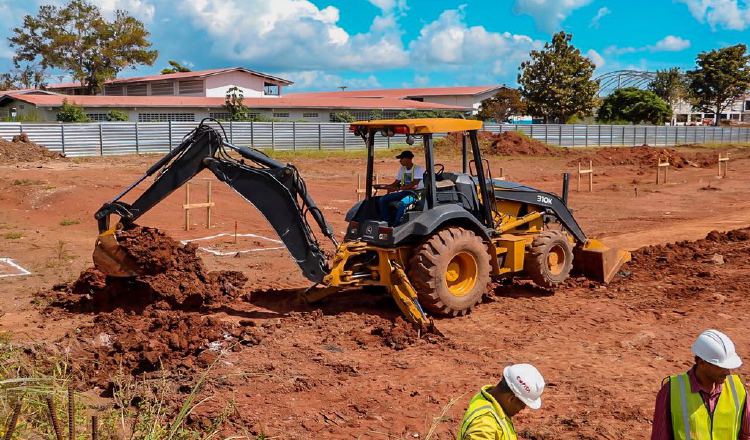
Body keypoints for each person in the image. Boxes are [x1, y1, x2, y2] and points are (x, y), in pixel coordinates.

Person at [651, 329, 749, 440]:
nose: (727, 372)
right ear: (701, 362)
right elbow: (660, 436)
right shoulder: (672, 391)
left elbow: (747, 434)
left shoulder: (737, 389)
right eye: (721, 367)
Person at [457, 363, 545, 440]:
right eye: (523, 403)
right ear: (511, 399)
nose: (523, 408)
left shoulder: (488, 399)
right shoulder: (484, 425)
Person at [375, 150, 425, 226]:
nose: (400, 161)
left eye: (401, 158)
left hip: (416, 194)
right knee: (383, 199)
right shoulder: (402, 169)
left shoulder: (418, 169)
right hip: (404, 192)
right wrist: (383, 186)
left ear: (408, 159)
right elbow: (395, 183)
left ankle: (396, 225)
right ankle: (387, 222)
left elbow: (414, 185)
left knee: (402, 203)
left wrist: (398, 189)